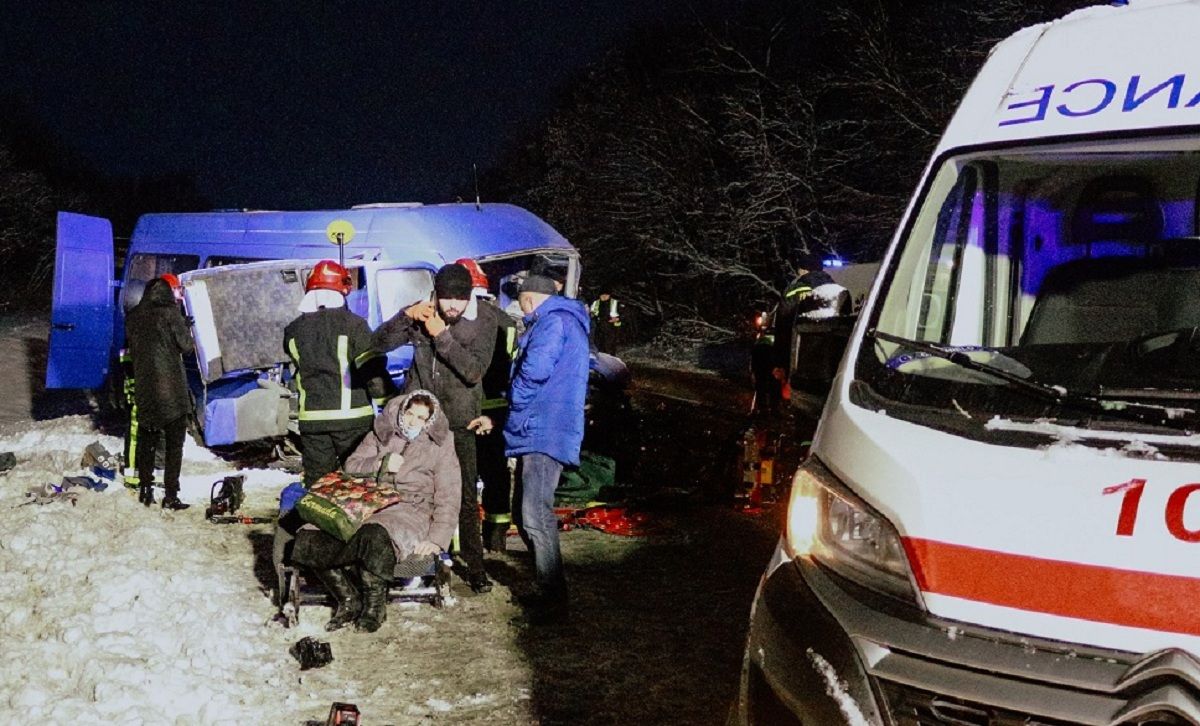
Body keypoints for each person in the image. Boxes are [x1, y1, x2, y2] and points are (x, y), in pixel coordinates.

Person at [372, 262, 501, 594]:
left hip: (459, 423)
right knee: (407, 488)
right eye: (447, 300)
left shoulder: (484, 319)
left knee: (463, 497)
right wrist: (405, 316)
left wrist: (440, 335)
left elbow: (474, 371)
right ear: (437, 295)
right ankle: (406, 557)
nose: (454, 306)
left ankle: (475, 567)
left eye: (460, 300)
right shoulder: (422, 312)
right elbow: (379, 343)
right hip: (419, 422)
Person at [291, 390, 461, 633]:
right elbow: (351, 466)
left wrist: (437, 539)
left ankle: (374, 606)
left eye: (421, 418)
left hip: (411, 508)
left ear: (430, 421)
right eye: (410, 413)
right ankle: (348, 598)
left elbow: (450, 494)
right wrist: (380, 464)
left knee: (376, 534)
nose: (412, 421)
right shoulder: (382, 433)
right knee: (312, 532)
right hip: (369, 502)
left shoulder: (441, 445)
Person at [504, 274, 590, 624]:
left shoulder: (552, 323)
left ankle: (554, 601)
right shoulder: (566, 321)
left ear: (528, 299)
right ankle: (548, 590)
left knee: (535, 515)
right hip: (544, 428)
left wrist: (515, 404)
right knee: (526, 513)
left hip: (543, 429)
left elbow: (534, 372)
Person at [283, 260, 387, 486]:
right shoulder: (355, 326)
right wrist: (387, 403)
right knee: (360, 479)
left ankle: (317, 521)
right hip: (353, 420)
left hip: (312, 422)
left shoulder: (293, 331)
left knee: (319, 486)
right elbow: (372, 371)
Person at [454, 258, 518, 554]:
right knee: (496, 474)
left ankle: (459, 540)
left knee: (459, 476)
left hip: (463, 409)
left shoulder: (457, 322)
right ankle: (496, 535)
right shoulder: (505, 321)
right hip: (497, 407)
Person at [124, 274, 193, 510]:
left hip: (146, 392)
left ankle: (145, 490)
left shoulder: (133, 318)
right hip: (172, 394)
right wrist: (186, 326)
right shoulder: (170, 314)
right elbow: (186, 346)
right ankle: (171, 494)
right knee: (174, 446)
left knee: (147, 443)